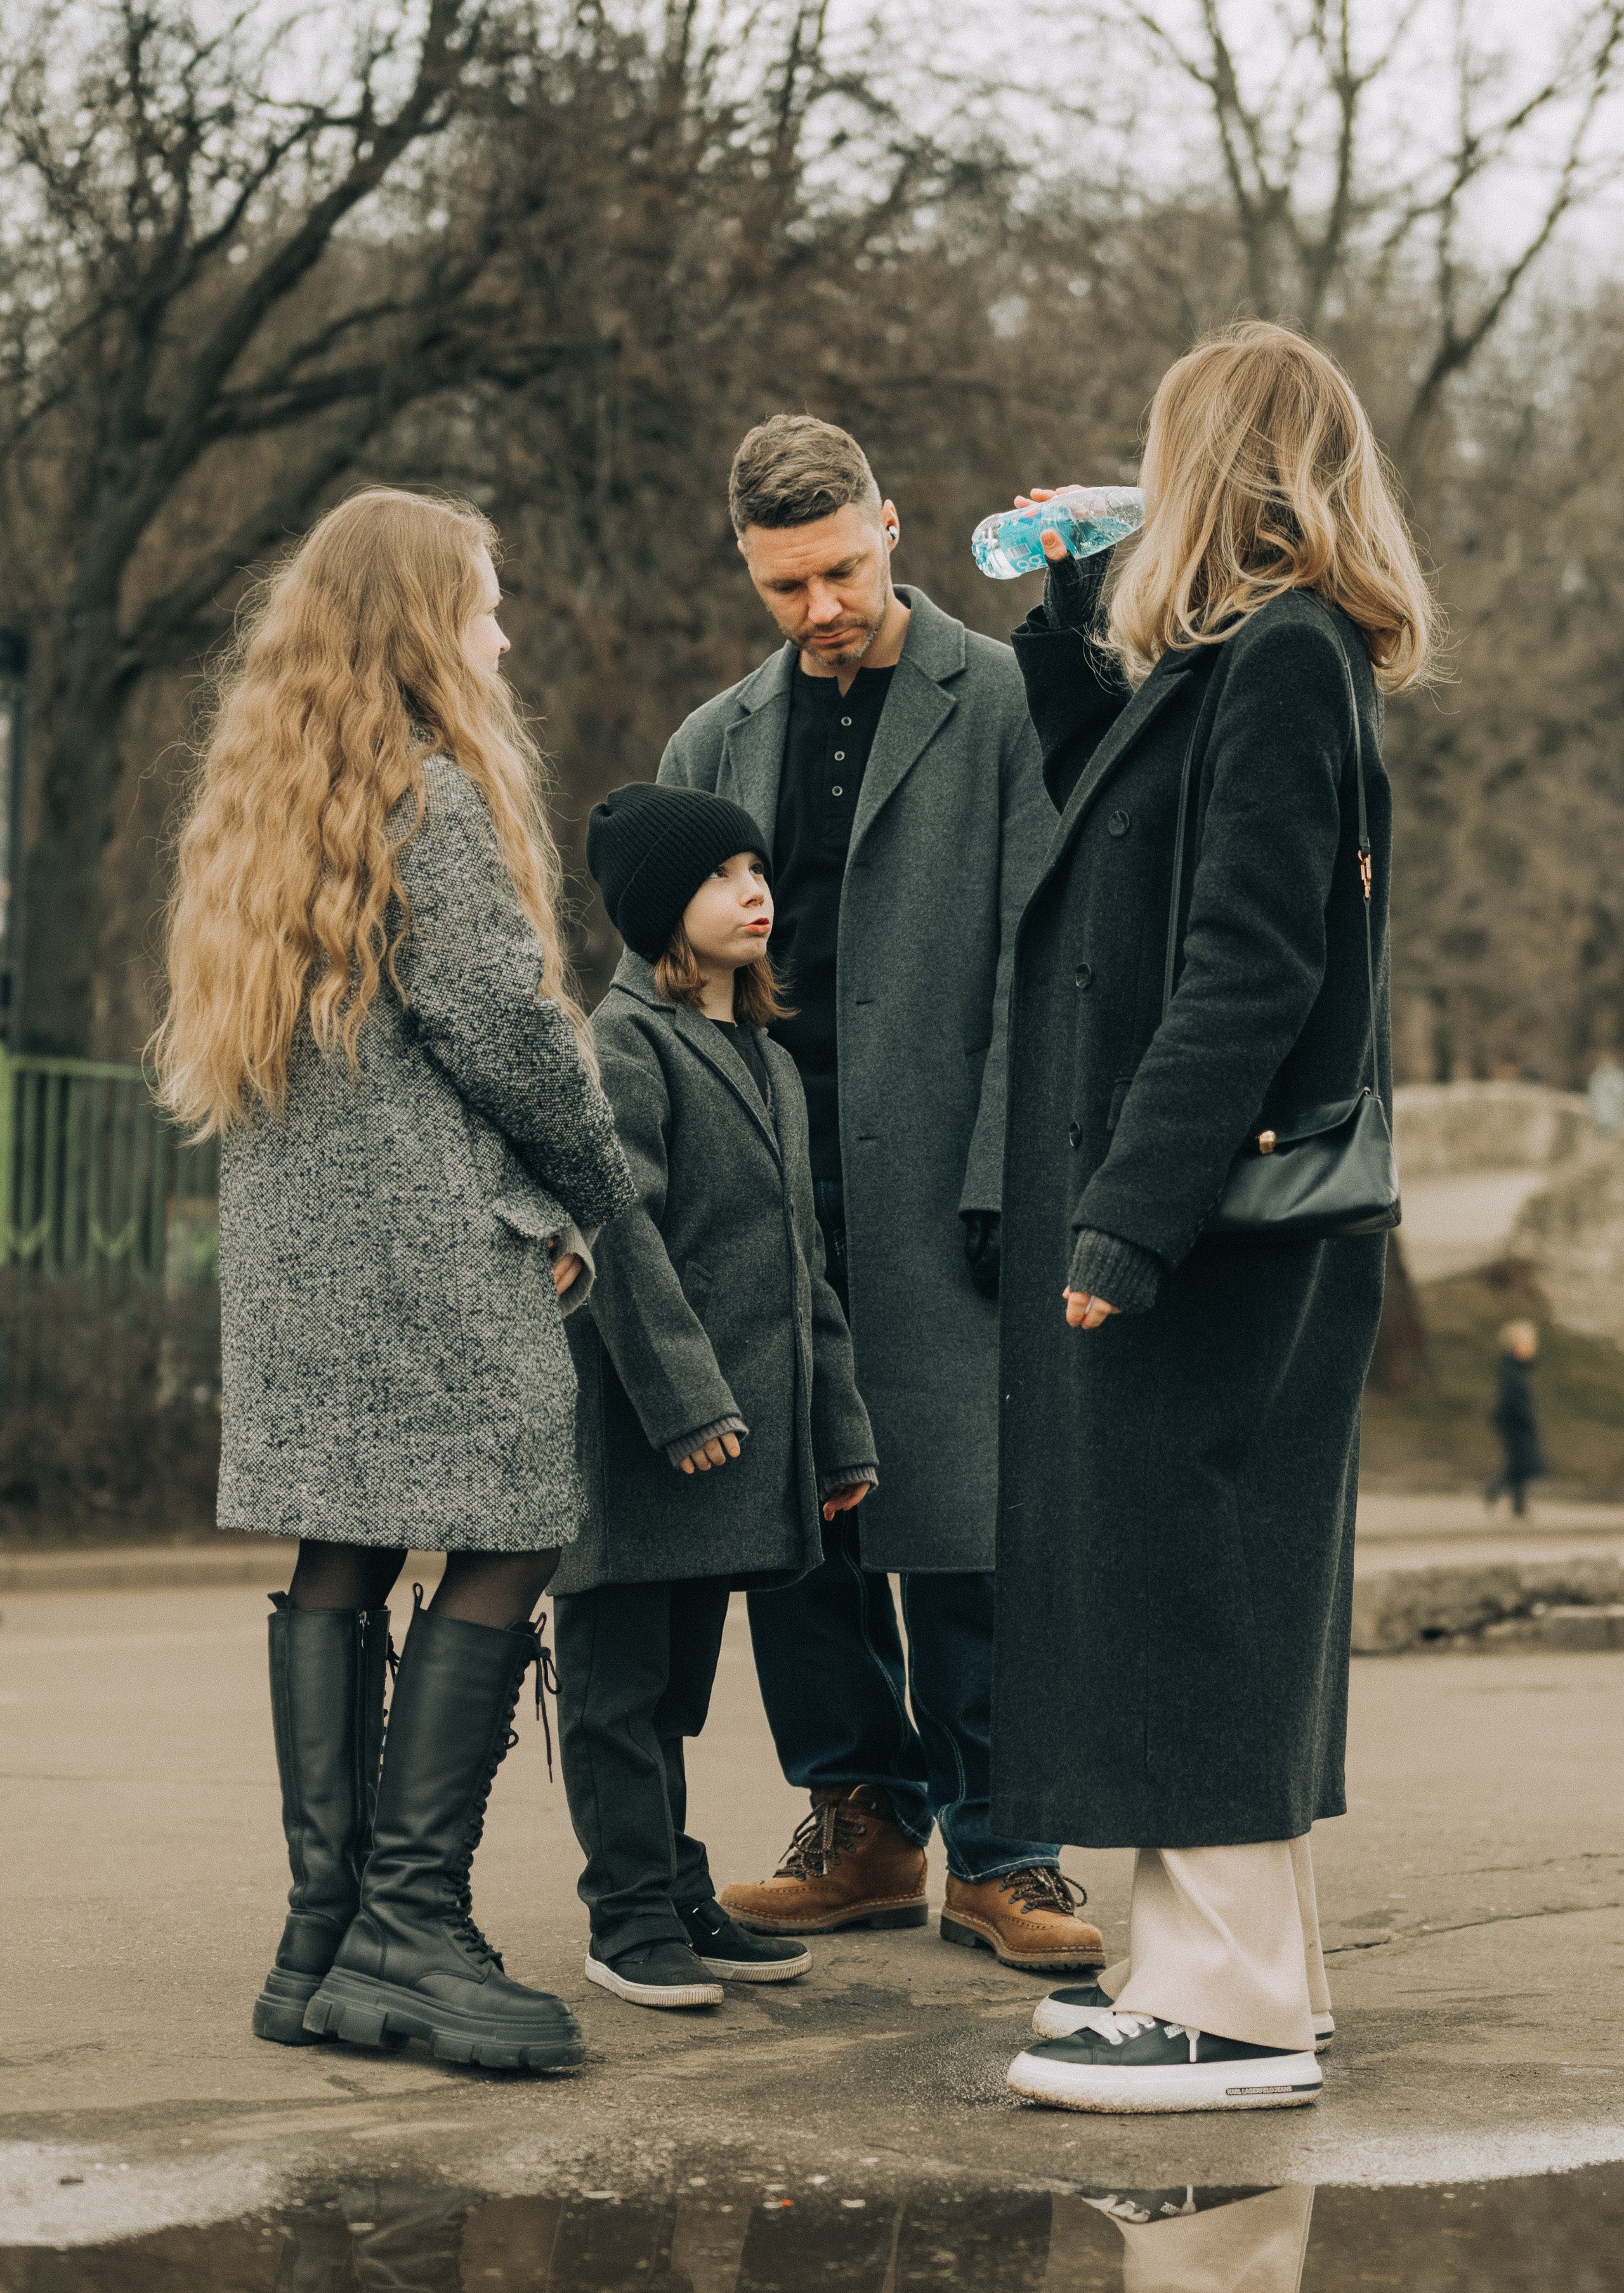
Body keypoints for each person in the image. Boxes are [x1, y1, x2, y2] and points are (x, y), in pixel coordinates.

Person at [993, 320, 1437, 2112]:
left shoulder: (1283, 661)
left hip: (1217, 1218)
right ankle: (1247, 1974)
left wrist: (1129, 1217)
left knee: (1193, 1585)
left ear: (1217, 463)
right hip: (1226, 1217)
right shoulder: (1261, 658)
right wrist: (1065, 617)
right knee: (1202, 1579)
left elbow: (1249, 962)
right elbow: (1122, 823)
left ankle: (1229, 2008)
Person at [154, 488, 635, 2072]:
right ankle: (409, 1925)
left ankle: (323, 1937)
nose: (500, 637)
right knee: (517, 1522)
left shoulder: (268, 809)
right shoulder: (427, 797)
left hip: (308, 1255)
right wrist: (595, 1180)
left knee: (348, 1539)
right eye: (484, 607)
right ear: (426, 623)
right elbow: (507, 1029)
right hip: (432, 1244)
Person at [657, 416, 1103, 1972]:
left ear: (891, 526)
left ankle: (1006, 1849)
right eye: (785, 585)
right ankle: (861, 1827)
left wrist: (1007, 1171)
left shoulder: (1003, 702)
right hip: (764, 1190)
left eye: (840, 570)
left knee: (968, 1526)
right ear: (747, 568)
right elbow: (671, 989)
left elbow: (1045, 953)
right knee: (794, 1529)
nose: (820, 608)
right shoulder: (710, 741)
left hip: (946, 1181)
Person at [551, 782, 879, 2009]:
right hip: (644, 1431)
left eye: (756, 867)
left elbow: (805, 1270)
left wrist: (836, 1432)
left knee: (674, 1693)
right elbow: (618, 1229)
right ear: (655, 910)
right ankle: (627, 1915)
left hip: (733, 1441)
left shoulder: (771, 1062)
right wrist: (684, 1401)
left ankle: (676, 1889)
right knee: (617, 1686)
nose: (753, 891)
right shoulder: (622, 1044)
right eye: (717, 875)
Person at [1484, 1320, 1545, 1516]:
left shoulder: (1517, 1368)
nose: (1531, 1347)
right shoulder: (1512, 1369)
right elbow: (1513, 1398)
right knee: (1522, 1465)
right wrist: (1526, 1418)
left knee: (1520, 1466)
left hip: (1517, 1423)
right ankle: (1493, 1490)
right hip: (1516, 1424)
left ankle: (1518, 1507)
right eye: (1527, 1343)